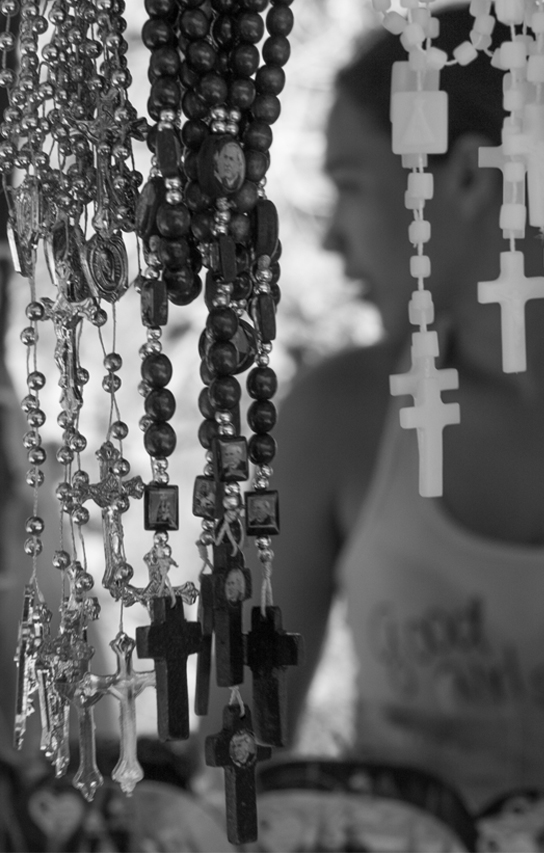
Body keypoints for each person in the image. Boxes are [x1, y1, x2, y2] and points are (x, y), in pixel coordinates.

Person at [271, 3, 544, 814]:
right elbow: (234, 764)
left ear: (463, 178)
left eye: (351, 186)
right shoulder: (336, 420)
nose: (332, 242)